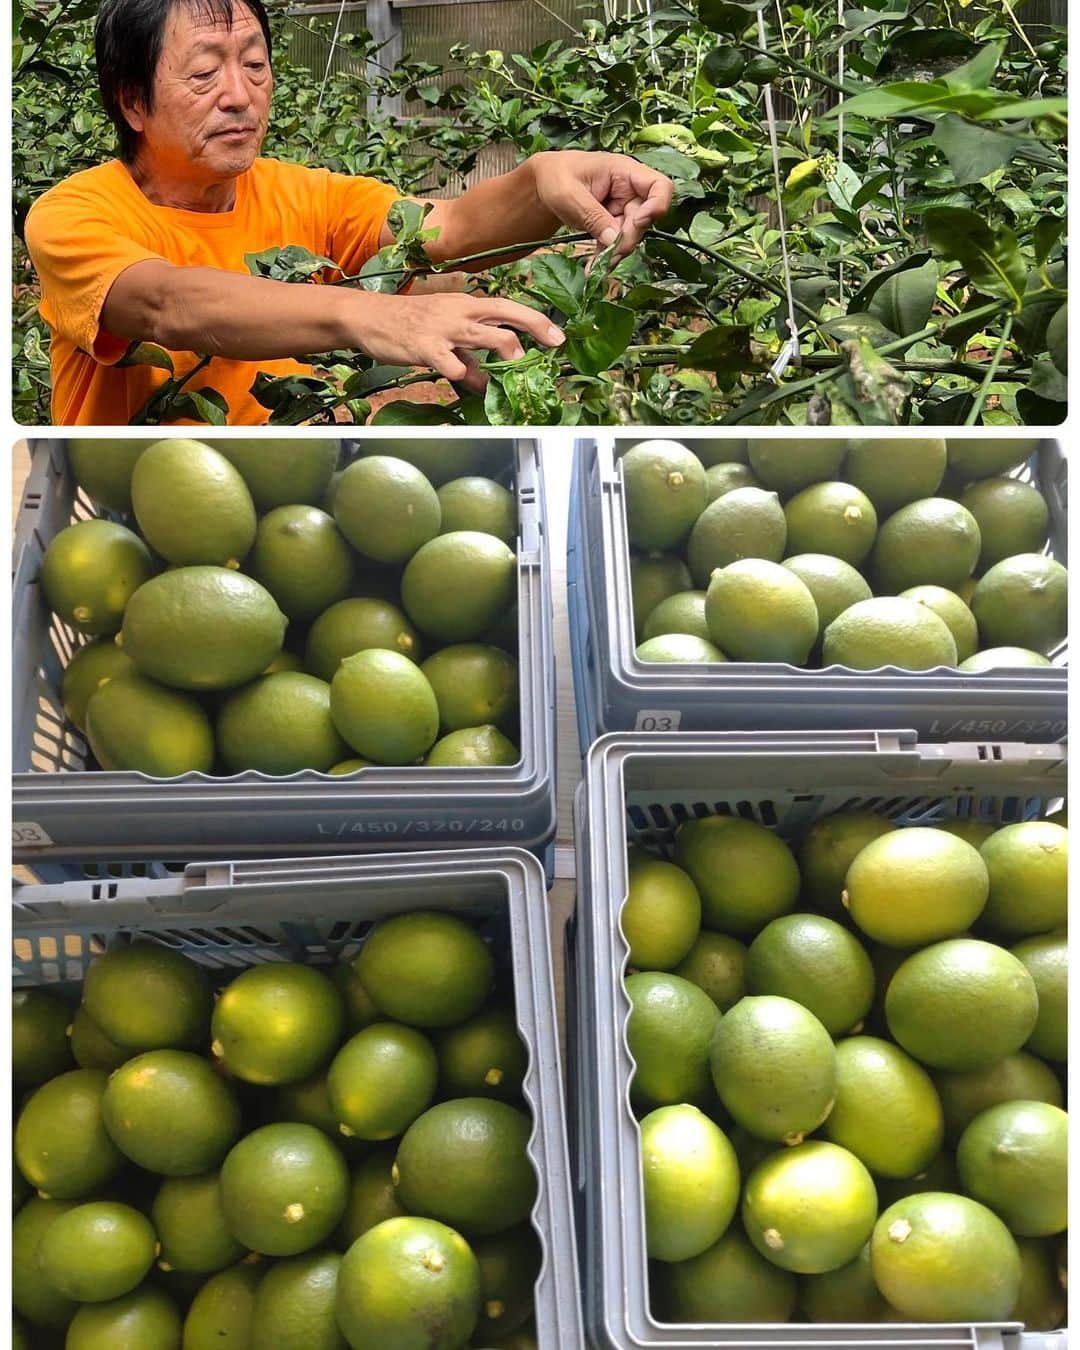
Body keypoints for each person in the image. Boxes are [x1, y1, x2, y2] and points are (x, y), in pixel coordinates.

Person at [25, 0, 674, 425]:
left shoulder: (307, 195)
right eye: (204, 75)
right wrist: (369, 314)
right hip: (130, 507)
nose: (239, 96)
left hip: (285, 508)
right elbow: (166, 304)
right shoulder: (76, 215)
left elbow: (448, 229)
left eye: (254, 66)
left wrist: (544, 180)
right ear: (133, 102)